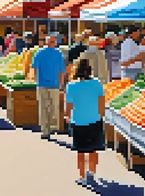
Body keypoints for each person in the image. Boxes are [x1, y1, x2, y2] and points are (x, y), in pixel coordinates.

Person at [64, 58, 105, 186]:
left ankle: (82, 176)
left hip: (78, 120)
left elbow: (68, 106)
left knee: (80, 151)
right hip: (94, 119)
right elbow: (102, 102)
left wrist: (67, 116)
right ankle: (91, 172)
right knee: (93, 149)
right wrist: (100, 115)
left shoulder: (71, 86)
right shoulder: (97, 83)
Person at [31, 35, 67, 140]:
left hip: (42, 84)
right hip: (53, 84)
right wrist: (60, 84)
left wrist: (35, 79)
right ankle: (50, 126)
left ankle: (45, 129)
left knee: (43, 107)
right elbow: (62, 71)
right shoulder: (58, 54)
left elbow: (34, 68)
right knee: (53, 106)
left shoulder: (39, 53)